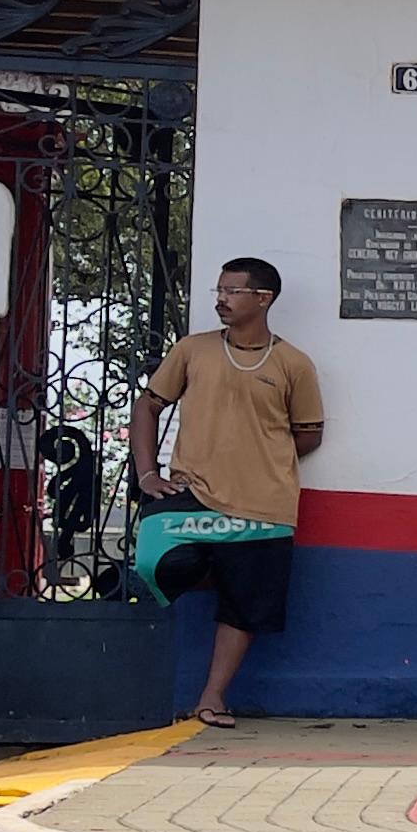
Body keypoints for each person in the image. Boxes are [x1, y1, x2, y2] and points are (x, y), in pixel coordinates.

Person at [128, 258, 323, 728]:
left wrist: (258, 458)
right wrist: (147, 474)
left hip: (265, 507)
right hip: (193, 494)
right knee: (153, 560)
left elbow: (309, 434)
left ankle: (211, 700)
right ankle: (212, 568)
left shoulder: (293, 364)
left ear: (263, 299)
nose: (221, 299)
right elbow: (148, 406)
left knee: (242, 608)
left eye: (233, 291)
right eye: (219, 290)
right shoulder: (192, 351)